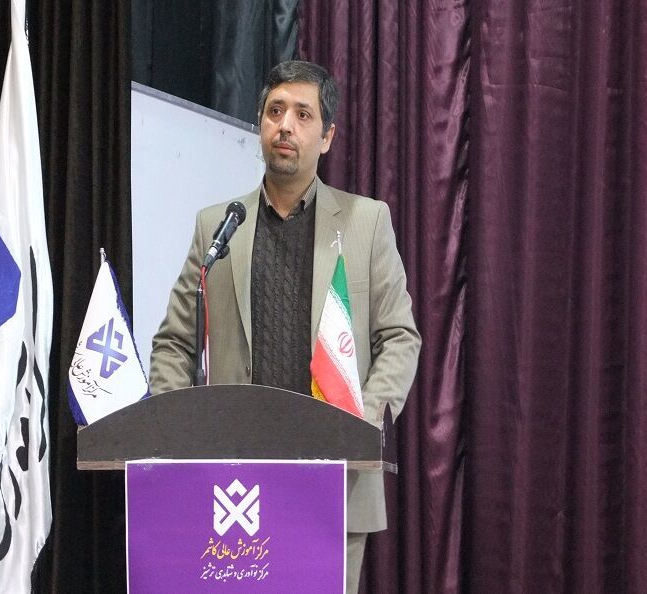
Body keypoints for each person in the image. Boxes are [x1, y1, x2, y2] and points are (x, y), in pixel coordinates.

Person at [149, 60, 421, 591]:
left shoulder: (367, 223)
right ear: (260, 125)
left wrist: (364, 421)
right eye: (275, 111)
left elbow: (399, 337)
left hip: (332, 480)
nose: (285, 126)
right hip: (231, 485)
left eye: (303, 114)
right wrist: (178, 435)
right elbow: (174, 344)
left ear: (327, 137)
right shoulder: (218, 227)